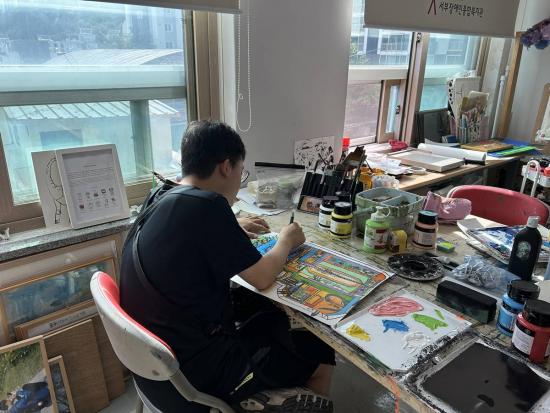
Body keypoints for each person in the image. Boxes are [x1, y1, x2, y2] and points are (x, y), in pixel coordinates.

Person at [119, 120, 335, 413]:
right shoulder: (209, 207)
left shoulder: (161, 194)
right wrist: (287, 239)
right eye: (240, 171)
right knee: (320, 351)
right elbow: (262, 276)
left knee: (267, 316)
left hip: (153, 370)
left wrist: (231, 225)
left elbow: (186, 236)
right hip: (194, 380)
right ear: (226, 167)